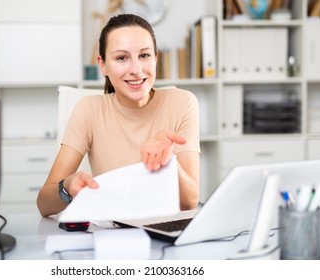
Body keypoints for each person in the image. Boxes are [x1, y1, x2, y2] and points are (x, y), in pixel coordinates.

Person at [37, 14, 200, 217]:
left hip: (163, 231)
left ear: (156, 58)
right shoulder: (89, 110)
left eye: (145, 55)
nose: (136, 69)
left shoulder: (182, 103)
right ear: (103, 65)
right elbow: (44, 204)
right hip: (110, 231)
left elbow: (190, 201)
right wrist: (68, 186)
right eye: (121, 58)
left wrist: (169, 162)